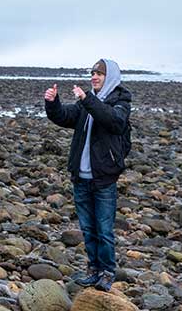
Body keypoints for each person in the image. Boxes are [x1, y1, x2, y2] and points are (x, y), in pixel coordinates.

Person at [44, 59, 131, 291]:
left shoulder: (120, 101)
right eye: (92, 73)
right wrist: (52, 103)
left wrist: (87, 99)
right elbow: (65, 116)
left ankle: (107, 272)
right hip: (80, 177)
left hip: (103, 178)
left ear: (110, 76)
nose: (94, 77)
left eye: (100, 74)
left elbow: (113, 121)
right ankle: (93, 269)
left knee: (104, 230)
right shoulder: (87, 102)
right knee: (88, 229)